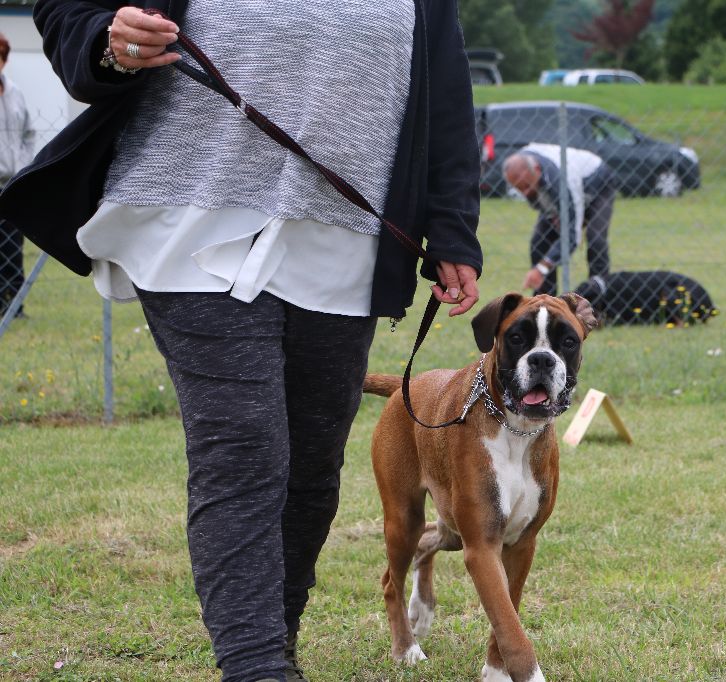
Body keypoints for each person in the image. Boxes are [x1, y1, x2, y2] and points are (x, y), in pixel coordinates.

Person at [3, 1, 482, 680]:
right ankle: (256, 666)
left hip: (346, 235)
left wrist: (453, 225)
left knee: (313, 467)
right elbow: (68, 11)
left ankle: (272, 641)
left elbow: (444, 86)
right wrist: (108, 43)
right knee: (243, 446)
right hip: (189, 215)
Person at [503, 143, 615, 295]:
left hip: (598, 184)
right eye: (519, 189)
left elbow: (571, 238)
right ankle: (544, 306)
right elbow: (546, 207)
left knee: (595, 239)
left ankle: (598, 301)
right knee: (539, 241)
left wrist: (542, 268)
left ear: (536, 170)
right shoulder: (522, 163)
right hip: (554, 187)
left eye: (527, 186)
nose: (525, 193)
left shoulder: (564, 180)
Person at [0, 32, 34, 319]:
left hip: (11, 184)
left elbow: (28, 133)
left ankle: (16, 305)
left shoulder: (15, 92)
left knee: (13, 247)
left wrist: (24, 164)